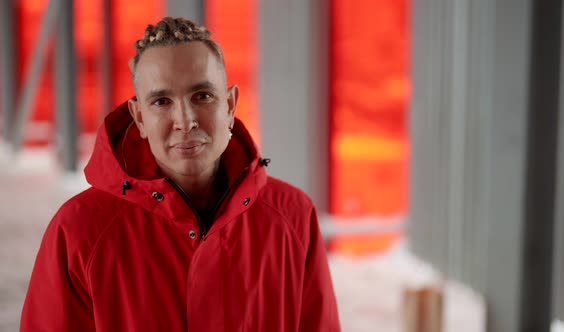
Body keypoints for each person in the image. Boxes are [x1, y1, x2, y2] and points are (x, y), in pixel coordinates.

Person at [20, 17, 340, 332]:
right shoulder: (79, 231)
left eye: (202, 96)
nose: (185, 121)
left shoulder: (293, 218)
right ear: (139, 117)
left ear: (230, 105)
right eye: (161, 101)